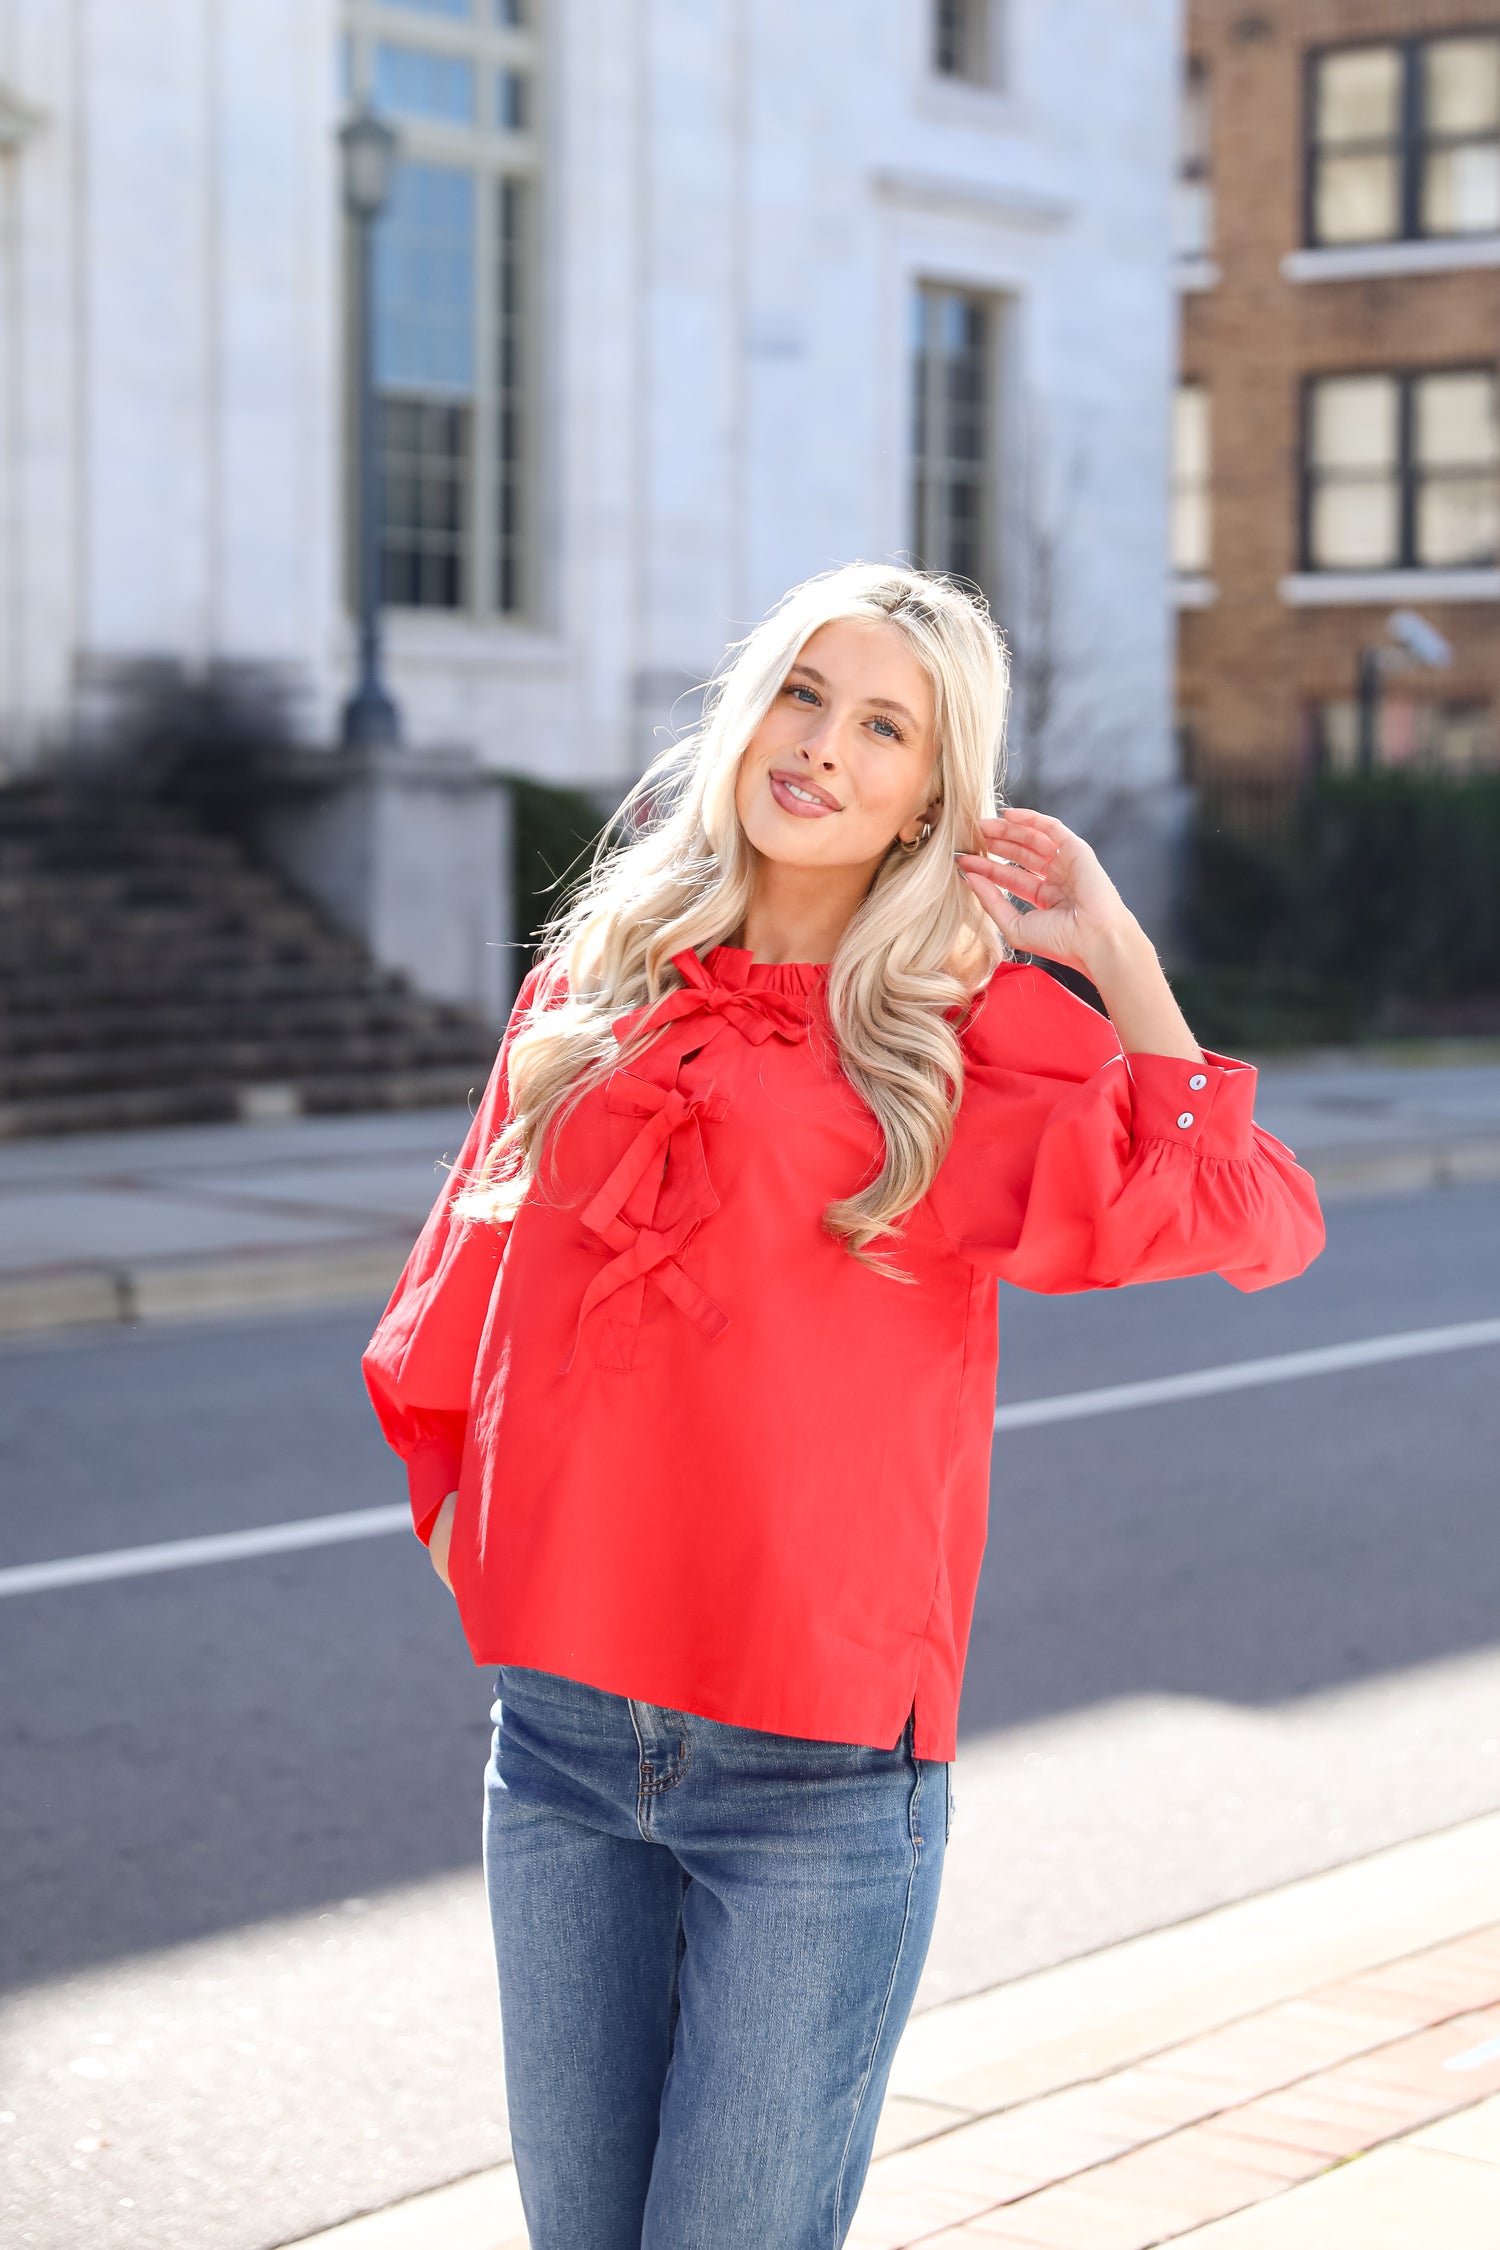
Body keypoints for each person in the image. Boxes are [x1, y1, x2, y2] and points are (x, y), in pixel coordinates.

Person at [361, 562, 1325, 2250]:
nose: (822, 744)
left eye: (885, 727)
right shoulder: (601, 977)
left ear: (929, 801)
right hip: (567, 1740)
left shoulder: (951, 1039)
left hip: (811, 1768)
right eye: (805, 693)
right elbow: (463, 1258)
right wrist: (454, 1504)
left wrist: (1113, 949)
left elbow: (1248, 1206)